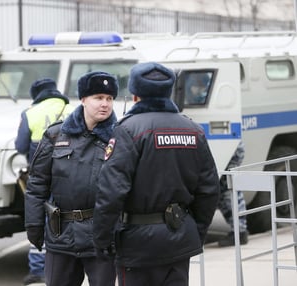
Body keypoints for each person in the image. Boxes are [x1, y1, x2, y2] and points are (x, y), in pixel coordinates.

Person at [93, 62, 220, 286]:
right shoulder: (193, 130)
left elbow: (111, 191)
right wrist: (195, 231)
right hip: (179, 238)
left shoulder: (128, 130)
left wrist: (102, 239)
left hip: (137, 245)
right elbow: (209, 190)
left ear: (135, 95)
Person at [24, 71, 118, 286]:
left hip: (101, 236)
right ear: (83, 99)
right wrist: (34, 226)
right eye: (98, 98)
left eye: (109, 98)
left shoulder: (120, 137)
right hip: (61, 236)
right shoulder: (56, 135)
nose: (104, 104)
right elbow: (37, 184)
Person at [15, 78, 74, 285]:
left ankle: (39, 269)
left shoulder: (31, 113)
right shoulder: (73, 109)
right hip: (71, 177)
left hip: (41, 177)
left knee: (40, 218)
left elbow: (21, 146)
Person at [217, 141, 249, 247]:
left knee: (228, 189)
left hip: (229, 149)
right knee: (225, 190)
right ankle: (239, 230)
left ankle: (240, 232)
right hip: (229, 147)